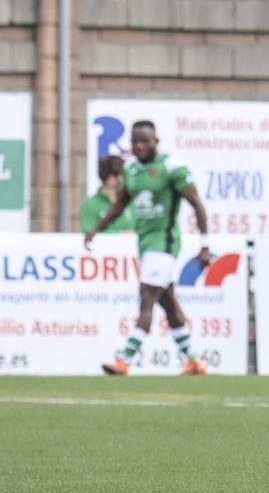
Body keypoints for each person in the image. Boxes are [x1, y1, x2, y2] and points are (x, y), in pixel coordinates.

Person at [83, 121, 212, 377]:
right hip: (145, 243)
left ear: (156, 141)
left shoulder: (171, 168)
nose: (139, 146)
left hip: (164, 243)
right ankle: (194, 360)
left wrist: (205, 245)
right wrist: (97, 228)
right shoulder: (130, 170)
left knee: (146, 298)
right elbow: (121, 204)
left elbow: (196, 203)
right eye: (135, 141)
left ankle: (124, 359)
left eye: (145, 141)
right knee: (168, 303)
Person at [78, 154, 132, 235]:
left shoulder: (130, 202)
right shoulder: (90, 205)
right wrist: (120, 235)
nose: (122, 179)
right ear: (110, 178)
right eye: (120, 175)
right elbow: (88, 233)